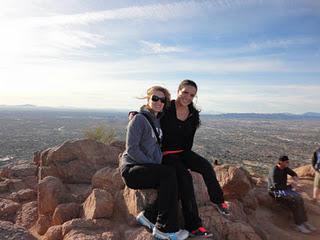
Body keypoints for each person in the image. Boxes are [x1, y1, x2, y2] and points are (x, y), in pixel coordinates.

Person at [160, 79, 230, 237]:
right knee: (185, 179)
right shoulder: (166, 107)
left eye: (192, 95)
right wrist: (136, 114)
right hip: (167, 154)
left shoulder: (193, 113)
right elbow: (151, 110)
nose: (188, 97)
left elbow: (188, 139)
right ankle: (193, 226)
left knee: (206, 166)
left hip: (183, 152)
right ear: (178, 91)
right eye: (185, 92)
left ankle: (217, 200)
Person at [120, 86, 189, 240]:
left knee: (175, 177)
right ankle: (166, 229)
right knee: (168, 174)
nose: (159, 102)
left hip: (147, 168)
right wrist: (154, 165)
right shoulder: (139, 119)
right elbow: (132, 150)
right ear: (148, 99)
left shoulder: (157, 120)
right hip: (132, 169)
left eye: (162, 100)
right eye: (155, 98)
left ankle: (149, 216)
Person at [268, 155, 316, 234]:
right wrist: (290, 186)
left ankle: (304, 221)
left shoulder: (284, 168)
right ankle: (298, 225)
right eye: (286, 162)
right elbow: (276, 186)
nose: (288, 163)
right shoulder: (274, 171)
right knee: (295, 200)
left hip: (284, 189)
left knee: (300, 198)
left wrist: (295, 177)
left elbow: (293, 173)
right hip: (275, 191)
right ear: (280, 162)